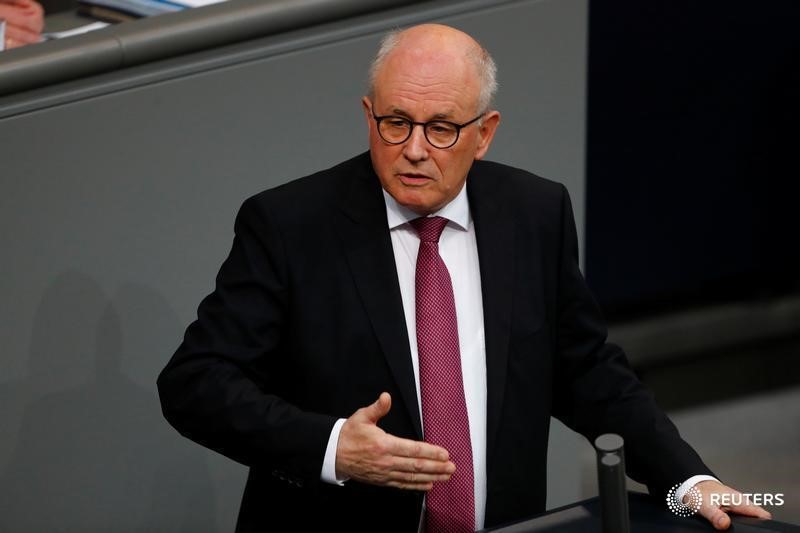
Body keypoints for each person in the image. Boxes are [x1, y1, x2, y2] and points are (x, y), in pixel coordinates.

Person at [158, 23, 771, 532]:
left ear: (485, 133)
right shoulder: (291, 226)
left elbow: (586, 369)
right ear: (367, 116)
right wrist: (330, 447)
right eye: (395, 122)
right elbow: (195, 383)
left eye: (442, 128)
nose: (415, 149)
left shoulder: (535, 213)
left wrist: (685, 480)